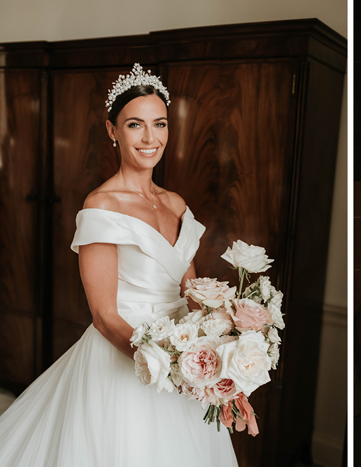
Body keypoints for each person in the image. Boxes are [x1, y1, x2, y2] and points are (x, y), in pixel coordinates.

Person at [0, 64, 237, 466]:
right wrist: (170, 365)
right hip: (126, 357)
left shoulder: (176, 203)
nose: (150, 138)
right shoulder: (101, 205)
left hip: (185, 361)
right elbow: (105, 315)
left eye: (159, 124)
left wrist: (214, 360)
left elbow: (191, 293)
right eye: (134, 125)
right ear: (112, 131)